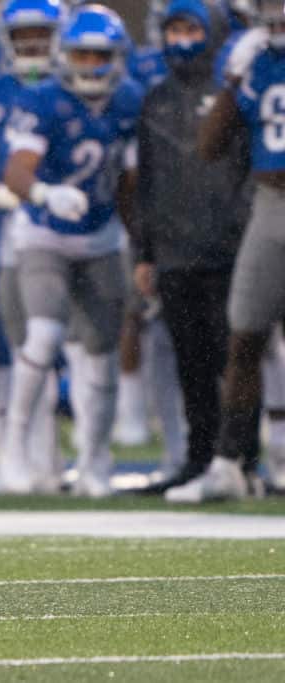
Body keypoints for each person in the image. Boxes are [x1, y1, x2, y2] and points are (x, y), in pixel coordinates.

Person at [0, 4, 142, 498]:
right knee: (42, 333)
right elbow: (16, 170)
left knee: (100, 352)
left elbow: (130, 181)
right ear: (65, 55)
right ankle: (13, 448)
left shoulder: (128, 101)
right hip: (43, 232)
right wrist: (43, 193)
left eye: (99, 56)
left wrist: (138, 242)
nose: (89, 65)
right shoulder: (43, 99)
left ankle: (95, 460)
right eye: (81, 54)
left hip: (101, 236)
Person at [131, 0, 250, 496]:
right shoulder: (155, 97)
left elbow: (247, 169)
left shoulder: (232, 94)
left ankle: (243, 459)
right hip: (176, 252)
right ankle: (199, 459)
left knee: (238, 360)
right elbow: (147, 179)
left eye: (190, 28)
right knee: (191, 365)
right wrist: (145, 252)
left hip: (227, 247)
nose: (181, 37)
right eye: (175, 28)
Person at [168, 0, 285, 501]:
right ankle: (229, 463)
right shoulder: (255, 60)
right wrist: (234, 79)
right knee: (245, 336)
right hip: (269, 204)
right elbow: (209, 145)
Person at [0, 0, 63, 494]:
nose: (33, 45)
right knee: (18, 340)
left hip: (70, 224)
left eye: (42, 34)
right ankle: (19, 452)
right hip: (9, 225)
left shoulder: (71, 90)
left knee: (63, 340)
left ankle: (51, 454)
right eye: (24, 36)